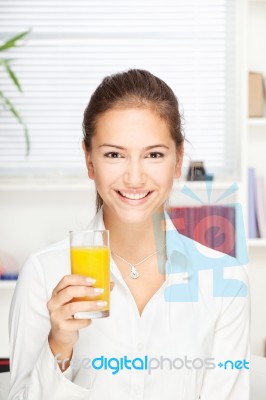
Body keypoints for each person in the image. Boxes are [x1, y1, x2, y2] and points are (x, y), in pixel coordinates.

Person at [8, 69, 249, 400]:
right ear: (89, 160)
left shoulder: (223, 280)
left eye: (153, 155)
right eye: (113, 154)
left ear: (178, 160)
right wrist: (59, 344)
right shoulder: (43, 273)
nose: (134, 177)